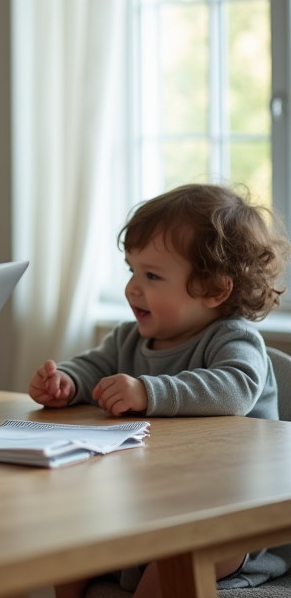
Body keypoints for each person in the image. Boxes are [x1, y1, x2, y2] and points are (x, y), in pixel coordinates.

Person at [28, 183, 291, 598]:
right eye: (132, 270)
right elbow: (93, 366)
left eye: (152, 275)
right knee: (69, 541)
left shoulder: (233, 339)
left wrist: (147, 392)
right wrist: (66, 381)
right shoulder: (128, 339)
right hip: (149, 506)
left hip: (235, 520)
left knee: (175, 565)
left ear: (214, 290)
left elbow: (235, 390)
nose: (133, 287)